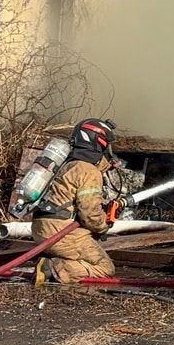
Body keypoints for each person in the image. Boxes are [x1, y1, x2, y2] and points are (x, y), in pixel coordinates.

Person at [32, 118, 119, 285]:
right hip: (63, 234)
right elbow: (90, 214)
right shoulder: (88, 171)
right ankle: (54, 267)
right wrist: (104, 225)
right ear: (97, 141)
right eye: (106, 144)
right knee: (105, 268)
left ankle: (50, 262)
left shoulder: (68, 164)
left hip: (42, 231)